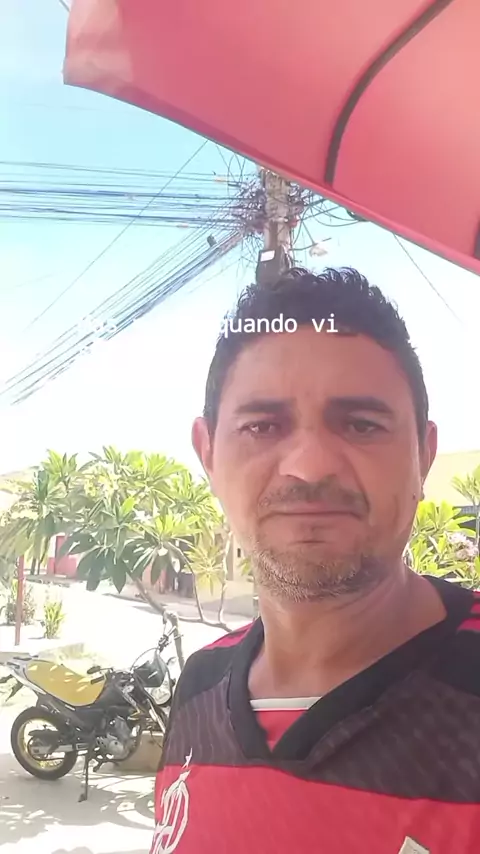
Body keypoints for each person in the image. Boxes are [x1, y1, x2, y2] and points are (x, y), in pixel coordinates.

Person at [150, 268, 480, 854]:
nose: (308, 466)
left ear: (423, 455)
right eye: (262, 426)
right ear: (208, 454)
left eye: (361, 425)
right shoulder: (199, 686)